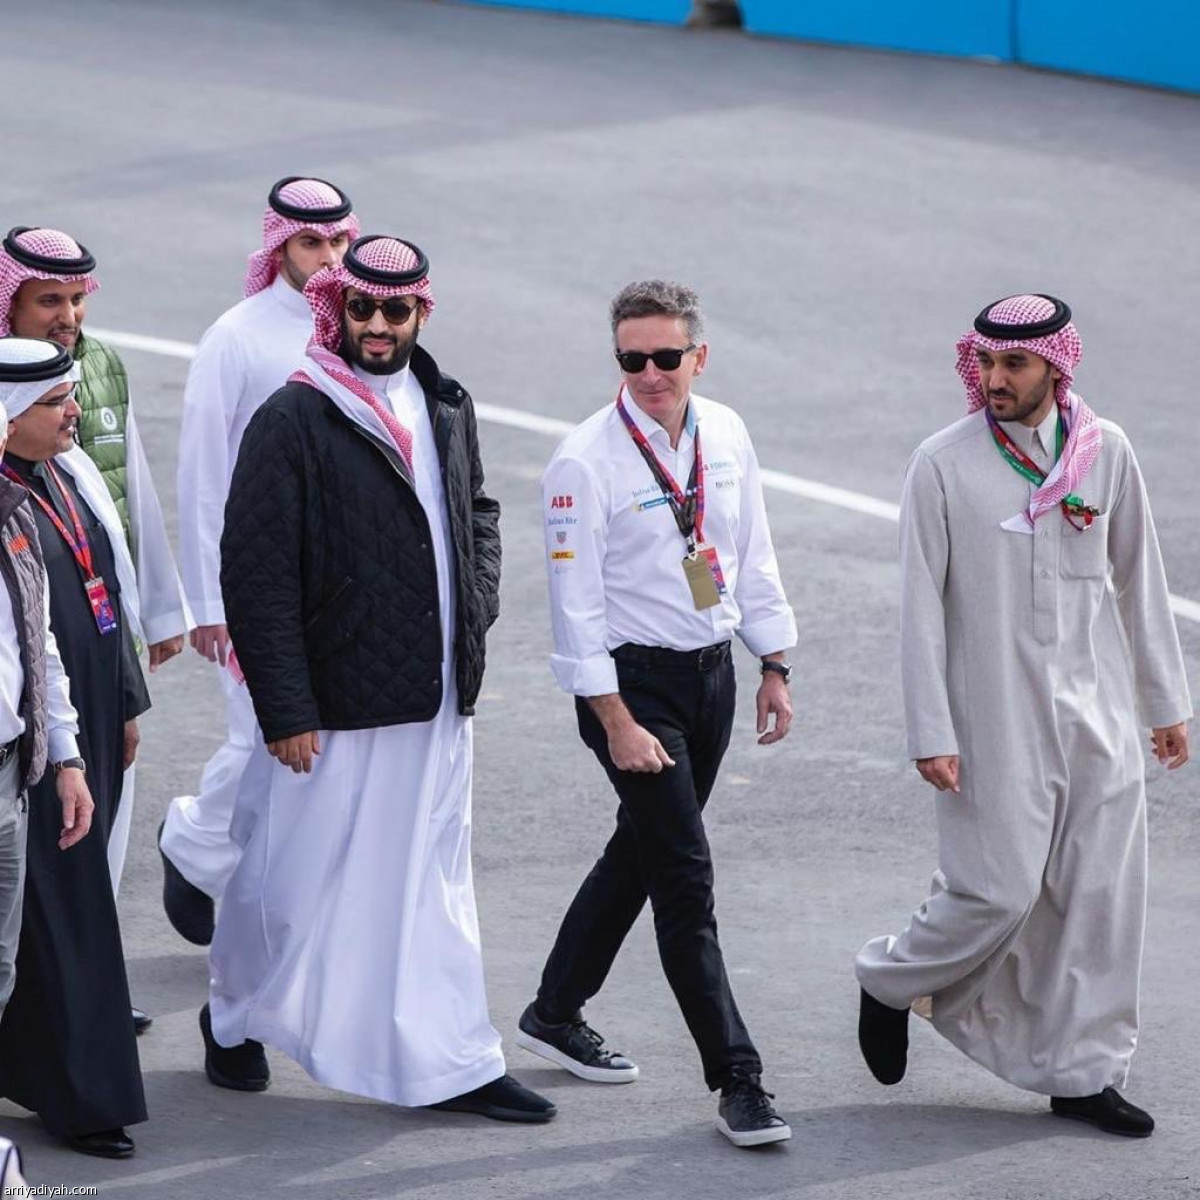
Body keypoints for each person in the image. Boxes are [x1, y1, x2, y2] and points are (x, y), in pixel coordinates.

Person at [207, 234, 554, 1124]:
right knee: (296, 885)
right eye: (360, 307)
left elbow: (478, 509)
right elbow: (255, 574)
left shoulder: (446, 402)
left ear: (420, 313)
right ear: (338, 307)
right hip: (336, 701)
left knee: (433, 881)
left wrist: (475, 603)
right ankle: (233, 1012)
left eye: (395, 311)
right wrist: (285, 706)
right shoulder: (295, 416)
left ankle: (453, 1058)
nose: (377, 325)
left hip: (436, 697)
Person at [855, 294, 1192, 1138]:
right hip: (992, 715)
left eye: (1015, 364)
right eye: (988, 362)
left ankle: (1084, 1074)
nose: (995, 379)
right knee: (995, 890)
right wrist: (931, 731)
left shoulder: (1106, 452)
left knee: (1099, 902)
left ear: (1056, 367)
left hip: (1098, 713)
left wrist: (1165, 705)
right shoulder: (943, 464)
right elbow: (919, 612)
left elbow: (1138, 580)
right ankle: (891, 980)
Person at [520, 280, 796, 1148]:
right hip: (632, 691)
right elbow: (574, 610)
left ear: (698, 357)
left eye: (665, 357)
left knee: (641, 854)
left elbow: (749, 555)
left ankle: (554, 1011)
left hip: (711, 678)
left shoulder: (728, 434)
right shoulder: (583, 462)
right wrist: (615, 722)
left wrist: (773, 663)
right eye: (631, 358)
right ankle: (739, 1079)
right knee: (684, 879)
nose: (648, 374)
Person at [0, 225, 191, 1035]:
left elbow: (126, 490)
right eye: (49, 300)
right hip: (32, 655)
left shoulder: (100, 366)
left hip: (100, 629)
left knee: (98, 821)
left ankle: (90, 988)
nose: (68, 317)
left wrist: (161, 614)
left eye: (78, 299)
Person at [160, 177, 358, 947]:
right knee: (260, 739)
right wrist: (208, 602)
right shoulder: (236, 338)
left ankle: (277, 900)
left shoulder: (359, 325)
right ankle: (194, 844)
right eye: (311, 242)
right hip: (253, 586)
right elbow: (203, 476)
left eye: (338, 240)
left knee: (316, 750)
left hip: (336, 585)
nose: (328, 257)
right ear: (279, 246)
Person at [0, 336, 148, 1159]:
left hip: (82, 716)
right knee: (55, 913)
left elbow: (108, 581)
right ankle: (84, 1095)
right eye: (55, 402)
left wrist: (124, 700)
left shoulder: (68, 470)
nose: (75, 412)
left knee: (67, 904)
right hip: (31, 737)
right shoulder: (7, 494)